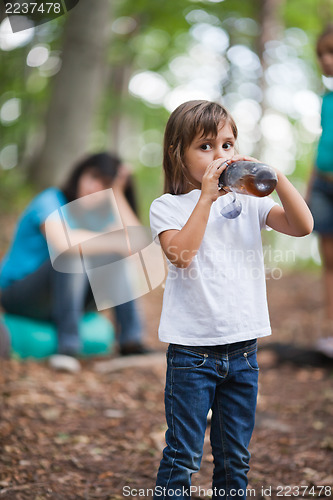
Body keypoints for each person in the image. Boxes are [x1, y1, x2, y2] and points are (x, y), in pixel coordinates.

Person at [149, 100, 313, 499]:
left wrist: (276, 177)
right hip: (192, 354)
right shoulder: (168, 207)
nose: (220, 155)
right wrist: (206, 197)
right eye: (205, 146)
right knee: (183, 455)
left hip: (243, 352)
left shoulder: (251, 201)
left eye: (227, 145)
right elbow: (182, 255)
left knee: (234, 457)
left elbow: (302, 225)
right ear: (177, 153)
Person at [0, 152, 150, 358]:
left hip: (68, 299)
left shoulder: (100, 214)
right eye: (93, 177)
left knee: (115, 258)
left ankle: (131, 341)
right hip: (21, 295)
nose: (95, 187)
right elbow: (63, 243)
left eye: (105, 184)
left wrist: (117, 193)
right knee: (71, 254)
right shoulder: (51, 199)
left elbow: (137, 241)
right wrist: (116, 241)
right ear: (80, 174)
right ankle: (68, 348)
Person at [307, 25, 333, 356]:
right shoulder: (326, 100)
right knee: (329, 262)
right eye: (321, 55)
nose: (326, 60)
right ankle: (330, 333)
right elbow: (322, 144)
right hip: (323, 188)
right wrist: (308, 188)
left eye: (331, 52)